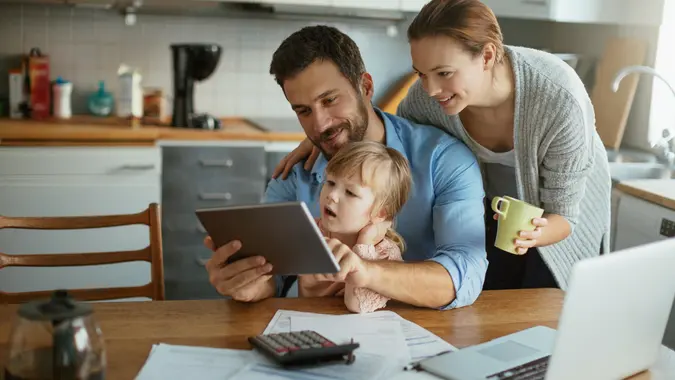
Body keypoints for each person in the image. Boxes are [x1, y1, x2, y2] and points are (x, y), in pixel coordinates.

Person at [274, 0, 612, 291]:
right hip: (496, 213)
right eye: (421, 73)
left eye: (444, 73)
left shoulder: (558, 99)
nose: (432, 88)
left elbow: (566, 215)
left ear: (487, 56)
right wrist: (324, 135)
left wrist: (532, 235)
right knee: (492, 303)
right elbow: (392, 134)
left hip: (557, 217)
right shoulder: (427, 99)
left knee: (549, 305)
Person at [204, 24, 488, 310]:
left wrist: (365, 272)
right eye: (303, 111)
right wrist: (248, 283)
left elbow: (465, 273)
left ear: (365, 87)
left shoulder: (444, 159)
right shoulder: (292, 177)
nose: (320, 125)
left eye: (329, 100)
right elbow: (274, 278)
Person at [304, 140, 412, 314]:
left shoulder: (384, 254)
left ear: (380, 214)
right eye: (330, 182)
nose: (332, 195)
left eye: (350, 193)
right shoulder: (312, 232)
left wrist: (363, 245)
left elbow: (356, 305)